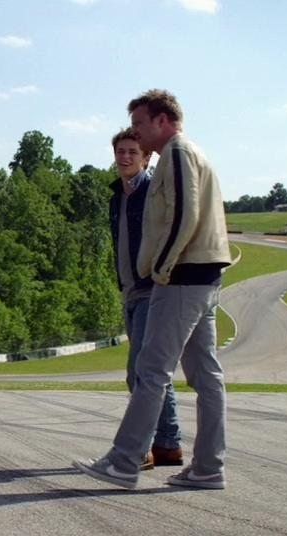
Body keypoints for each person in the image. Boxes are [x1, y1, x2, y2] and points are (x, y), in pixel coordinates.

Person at [75, 89, 232, 490]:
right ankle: (208, 467)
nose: (137, 133)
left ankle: (124, 461)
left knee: (151, 371)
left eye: (140, 124)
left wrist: (161, 268)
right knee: (206, 376)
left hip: (181, 277)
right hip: (204, 277)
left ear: (162, 120)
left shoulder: (176, 153)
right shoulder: (192, 153)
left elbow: (183, 215)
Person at [106, 127, 183, 471]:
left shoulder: (152, 192)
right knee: (154, 370)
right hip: (130, 290)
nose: (125, 157)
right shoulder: (117, 197)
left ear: (147, 157)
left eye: (132, 152)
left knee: (140, 371)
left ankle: (140, 448)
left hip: (152, 289)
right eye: (120, 151)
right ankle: (168, 444)